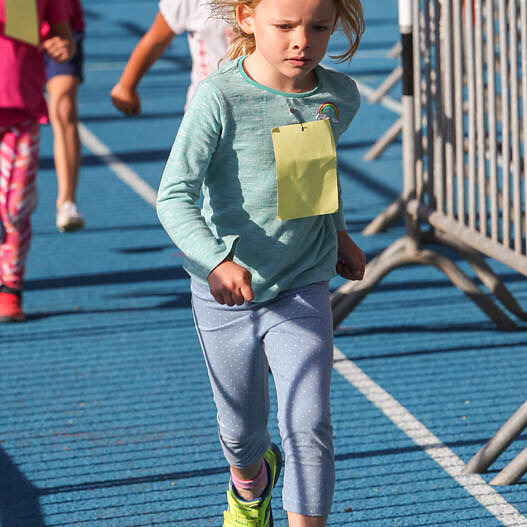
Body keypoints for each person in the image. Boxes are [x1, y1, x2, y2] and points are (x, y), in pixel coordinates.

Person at [156, 0, 365, 525]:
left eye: (319, 27)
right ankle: (251, 484)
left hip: (303, 282)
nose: (303, 41)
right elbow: (173, 196)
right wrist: (215, 261)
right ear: (247, 18)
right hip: (226, 294)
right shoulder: (219, 97)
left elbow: (313, 171)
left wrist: (338, 232)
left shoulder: (337, 96)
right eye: (285, 26)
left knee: (309, 425)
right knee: (240, 433)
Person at [0, 0, 75, 321]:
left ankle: (10, 288)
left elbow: (63, 37)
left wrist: (61, 46)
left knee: (14, 210)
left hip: (21, 111)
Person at [110, 0, 232, 116]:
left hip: (243, 100)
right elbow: (157, 41)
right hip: (206, 106)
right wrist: (126, 86)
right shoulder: (190, 3)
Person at [43, 0, 86, 232]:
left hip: (62, 26)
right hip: (12, 35)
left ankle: (67, 202)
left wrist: (66, 40)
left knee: (64, 106)